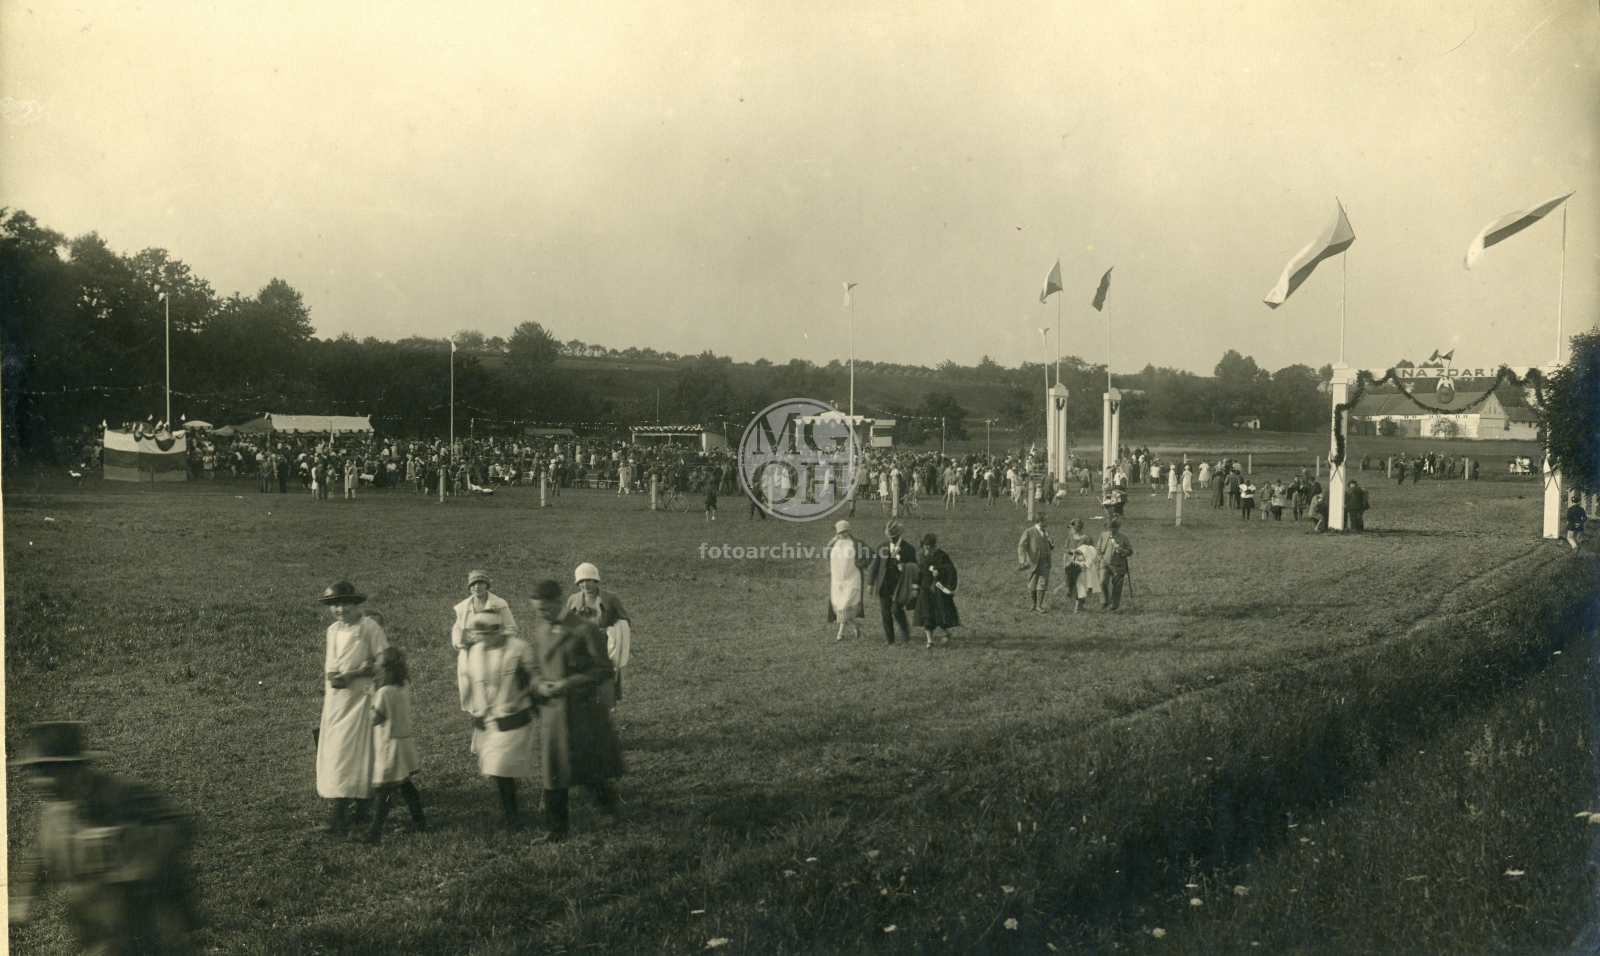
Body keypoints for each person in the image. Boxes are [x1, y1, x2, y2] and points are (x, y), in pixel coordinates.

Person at [9, 721, 198, 956]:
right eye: (35, 773)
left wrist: (132, 858)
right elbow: (40, 857)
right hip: (96, 930)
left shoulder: (123, 794)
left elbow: (180, 826)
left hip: (148, 924)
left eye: (48, 772)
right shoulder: (54, 813)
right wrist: (22, 900)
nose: (39, 782)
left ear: (76, 768)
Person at [529, 580, 626, 841]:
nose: (542, 616)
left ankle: (607, 809)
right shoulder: (540, 633)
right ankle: (556, 829)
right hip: (553, 714)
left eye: (545, 610)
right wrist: (540, 684)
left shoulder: (585, 629)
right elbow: (535, 668)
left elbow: (604, 669)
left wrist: (568, 683)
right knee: (554, 771)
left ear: (559, 602)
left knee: (587, 765)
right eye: (538, 612)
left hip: (582, 712)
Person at [317, 580, 388, 837]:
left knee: (356, 754)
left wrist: (356, 673)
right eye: (335, 604)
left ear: (356, 603)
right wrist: (337, 678)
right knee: (337, 753)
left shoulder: (369, 628)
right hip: (337, 701)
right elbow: (331, 668)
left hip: (362, 698)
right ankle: (356, 811)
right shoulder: (332, 631)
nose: (340, 609)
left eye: (345, 603)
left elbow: (384, 662)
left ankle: (341, 817)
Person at [458, 611, 539, 829]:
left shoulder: (518, 648)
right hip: (486, 718)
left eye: (488, 633)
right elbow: (472, 680)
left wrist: (520, 698)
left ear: (499, 631)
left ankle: (513, 818)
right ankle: (512, 810)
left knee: (502, 767)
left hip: (513, 717)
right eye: (480, 633)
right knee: (497, 769)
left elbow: (534, 680)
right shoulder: (475, 651)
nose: (484, 638)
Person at [365, 647, 426, 843]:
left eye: (378, 664)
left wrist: (369, 700)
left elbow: (375, 718)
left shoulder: (383, 693)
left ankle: (374, 831)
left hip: (388, 744)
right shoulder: (402, 686)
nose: (374, 666)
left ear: (386, 669)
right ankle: (420, 820)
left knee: (383, 788)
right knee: (405, 782)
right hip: (403, 741)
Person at [564, 563, 632, 709]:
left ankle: (606, 714)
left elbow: (625, 621)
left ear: (595, 580)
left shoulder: (611, 598)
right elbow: (565, 624)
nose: (585, 584)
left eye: (588, 580)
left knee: (604, 681)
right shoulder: (572, 600)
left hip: (604, 647)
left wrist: (609, 630)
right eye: (581, 581)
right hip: (581, 649)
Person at [451, 570, 518, 714]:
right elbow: (457, 627)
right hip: (469, 656)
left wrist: (493, 637)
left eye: (480, 582)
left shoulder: (499, 605)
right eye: (473, 584)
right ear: (469, 587)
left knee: (493, 697)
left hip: (493, 655)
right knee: (474, 701)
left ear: (486, 585)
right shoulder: (463, 607)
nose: (477, 587)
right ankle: (478, 727)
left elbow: (511, 628)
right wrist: (458, 641)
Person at [868, 520, 919, 643]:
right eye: (890, 537)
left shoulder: (908, 549)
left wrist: (905, 569)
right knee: (885, 613)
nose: (892, 539)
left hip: (900, 586)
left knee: (896, 610)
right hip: (884, 584)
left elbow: (915, 568)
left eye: (894, 537)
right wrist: (870, 583)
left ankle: (905, 633)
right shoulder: (882, 547)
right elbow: (875, 566)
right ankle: (890, 639)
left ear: (899, 535)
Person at [913, 533, 960, 647]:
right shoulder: (921, 556)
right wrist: (915, 587)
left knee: (940, 613)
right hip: (925, 588)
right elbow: (918, 572)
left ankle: (947, 633)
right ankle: (930, 641)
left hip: (938, 588)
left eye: (929, 545)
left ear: (934, 545)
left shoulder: (942, 555)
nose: (927, 547)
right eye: (925, 545)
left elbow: (951, 569)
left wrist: (939, 570)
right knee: (927, 614)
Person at [826, 520, 870, 641]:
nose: (844, 534)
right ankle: (856, 626)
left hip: (852, 579)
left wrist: (860, 563)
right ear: (837, 532)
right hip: (837, 580)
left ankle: (840, 633)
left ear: (849, 531)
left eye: (846, 531)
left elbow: (870, 554)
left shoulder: (856, 543)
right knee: (841, 607)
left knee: (844, 606)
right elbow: (827, 554)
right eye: (841, 532)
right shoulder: (834, 543)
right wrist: (831, 543)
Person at [1016, 511, 1054, 613]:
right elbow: (1022, 547)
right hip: (1033, 562)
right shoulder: (1029, 532)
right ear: (1040, 521)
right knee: (1032, 584)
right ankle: (1033, 603)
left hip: (1045, 562)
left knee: (1043, 583)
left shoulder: (1046, 532)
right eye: (1046, 520)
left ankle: (1039, 605)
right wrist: (1022, 560)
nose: (1048, 522)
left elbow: (1050, 546)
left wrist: (1051, 544)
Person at [1095, 517, 1134, 611]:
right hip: (1105, 563)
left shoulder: (1123, 537)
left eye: (1113, 530)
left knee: (1117, 587)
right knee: (1102, 582)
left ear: (1118, 528)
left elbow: (1130, 551)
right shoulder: (1103, 535)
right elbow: (1098, 548)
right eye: (1110, 530)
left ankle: (1114, 606)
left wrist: (1122, 550)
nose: (1111, 531)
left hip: (1119, 565)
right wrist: (1099, 557)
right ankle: (1104, 601)